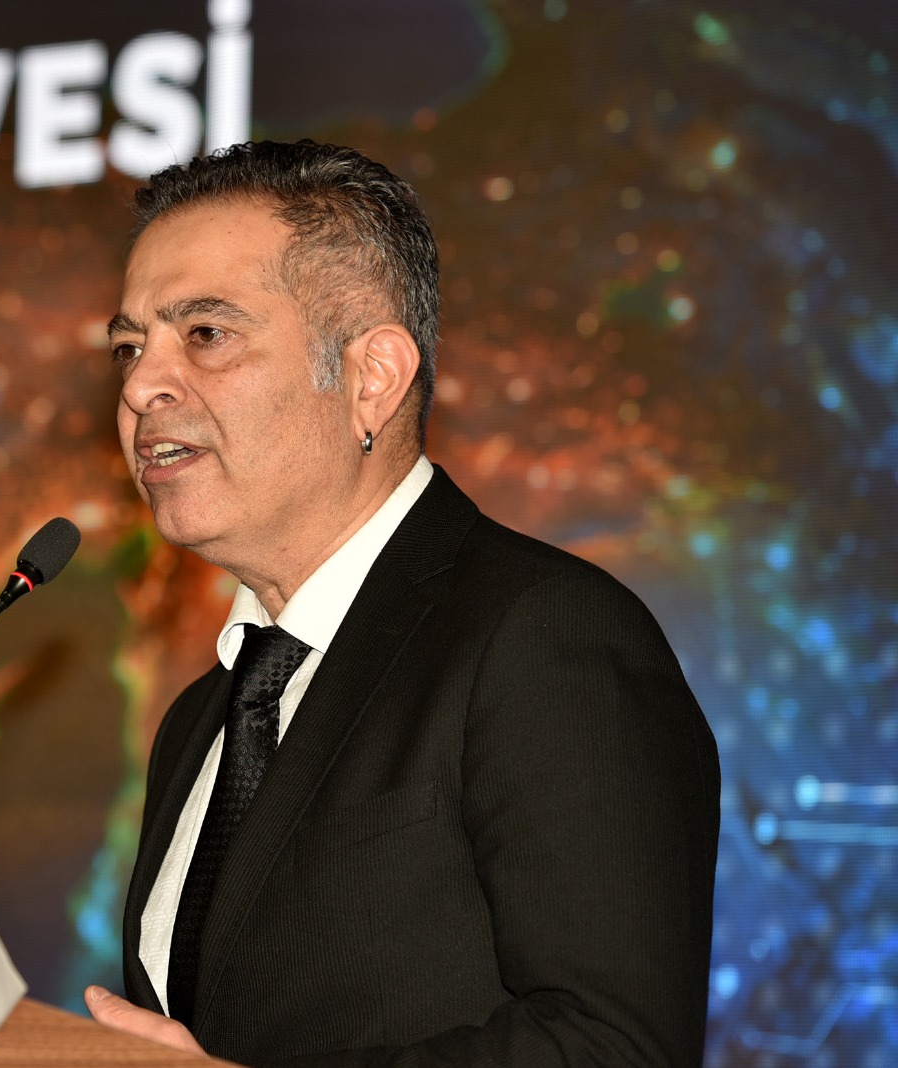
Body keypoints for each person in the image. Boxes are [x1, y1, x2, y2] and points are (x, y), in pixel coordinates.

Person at [82, 141, 721, 1067]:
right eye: (129, 347)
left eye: (206, 334)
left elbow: (612, 1045)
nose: (141, 385)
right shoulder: (198, 720)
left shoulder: (542, 637)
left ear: (372, 377)